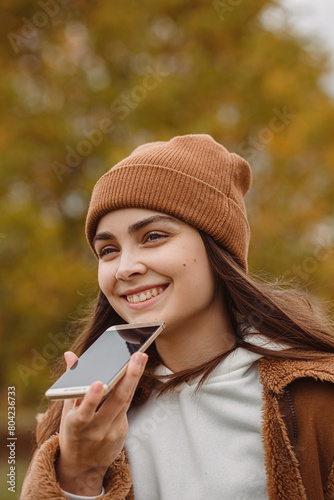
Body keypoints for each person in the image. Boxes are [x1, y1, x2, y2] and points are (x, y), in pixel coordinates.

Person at [21, 134, 334, 500]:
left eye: (153, 236)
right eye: (108, 250)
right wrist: (78, 475)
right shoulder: (79, 420)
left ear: (218, 248)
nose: (125, 268)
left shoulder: (316, 397)